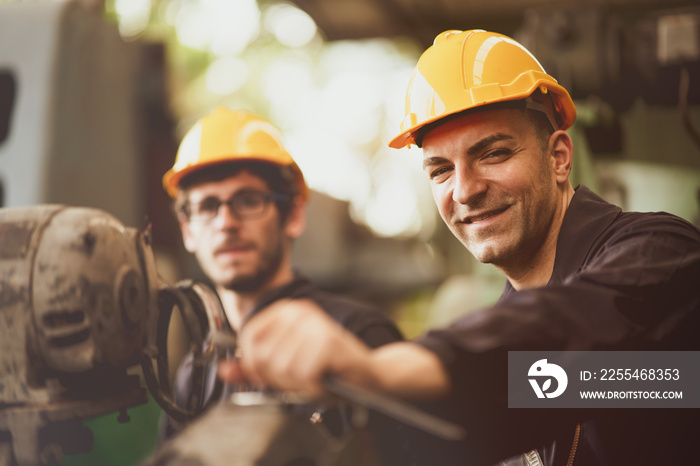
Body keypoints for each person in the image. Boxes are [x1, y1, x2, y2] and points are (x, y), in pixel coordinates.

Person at [218, 30, 700, 465]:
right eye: (440, 170)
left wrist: (380, 368)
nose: (464, 190)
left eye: (493, 153)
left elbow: (582, 328)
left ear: (558, 157)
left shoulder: (662, 253)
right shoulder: (515, 324)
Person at [158, 107, 404, 457]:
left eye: (248, 200)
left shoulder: (359, 336)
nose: (226, 221)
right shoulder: (196, 374)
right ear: (187, 230)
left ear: (293, 215)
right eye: (207, 206)